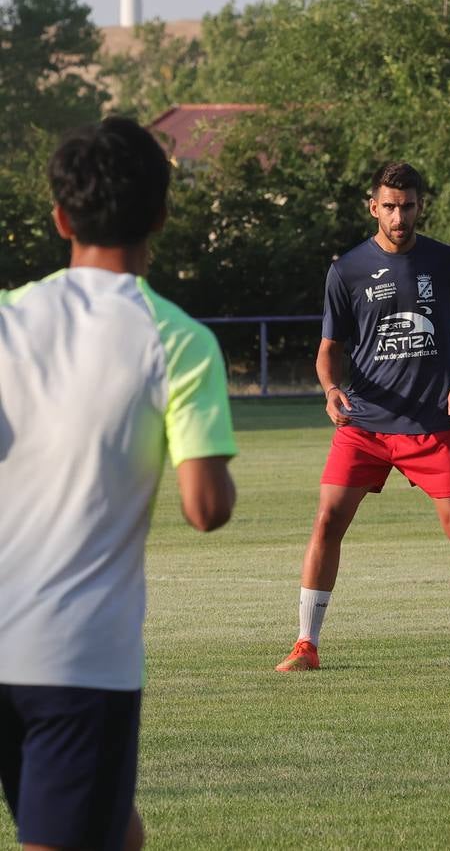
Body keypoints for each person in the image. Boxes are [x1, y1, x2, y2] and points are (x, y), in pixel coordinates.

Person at [0, 117, 238, 851]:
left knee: (114, 831)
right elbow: (206, 509)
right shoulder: (179, 339)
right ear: (162, 216)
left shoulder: (8, 319)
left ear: (61, 218)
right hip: (79, 656)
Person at [275, 162, 450, 674]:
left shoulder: (445, 263)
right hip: (365, 423)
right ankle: (305, 646)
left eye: (408, 206)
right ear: (373, 206)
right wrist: (332, 389)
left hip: (433, 421)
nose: (399, 216)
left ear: (421, 206)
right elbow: (328, 349)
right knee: (327, 521)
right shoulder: (348, 269)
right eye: (390, 206)